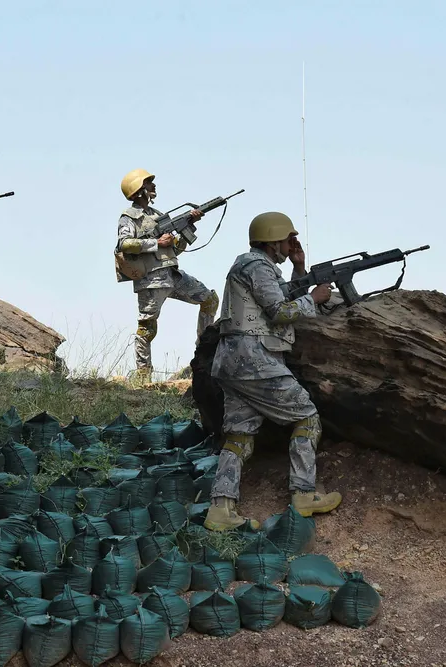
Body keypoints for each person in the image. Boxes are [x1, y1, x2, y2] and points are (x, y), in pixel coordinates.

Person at [205, 211, 343, 532]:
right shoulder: (257, 266)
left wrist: (298, 268)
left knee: (239, 436)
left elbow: (280, 295)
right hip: (254, 359)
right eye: (287, 239)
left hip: (232, 361)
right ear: (272, 241)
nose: (292, 243)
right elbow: (280, 311)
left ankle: (220, 508)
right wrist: (313, 299)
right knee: (306, 417)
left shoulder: (255, 266)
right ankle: (304, 493)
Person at [116, 168, 219, 382]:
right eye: (148, 183)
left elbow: (174, 250)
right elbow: (124, 244)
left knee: (209, 300)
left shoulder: (157, 215)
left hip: (172, 274)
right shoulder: (129, 217)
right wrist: (156, 242)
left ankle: (204, 356)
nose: (153, 185)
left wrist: (189, 226)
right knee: (147, 328)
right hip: (151, 280)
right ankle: (143, 377)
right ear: (138, 190)